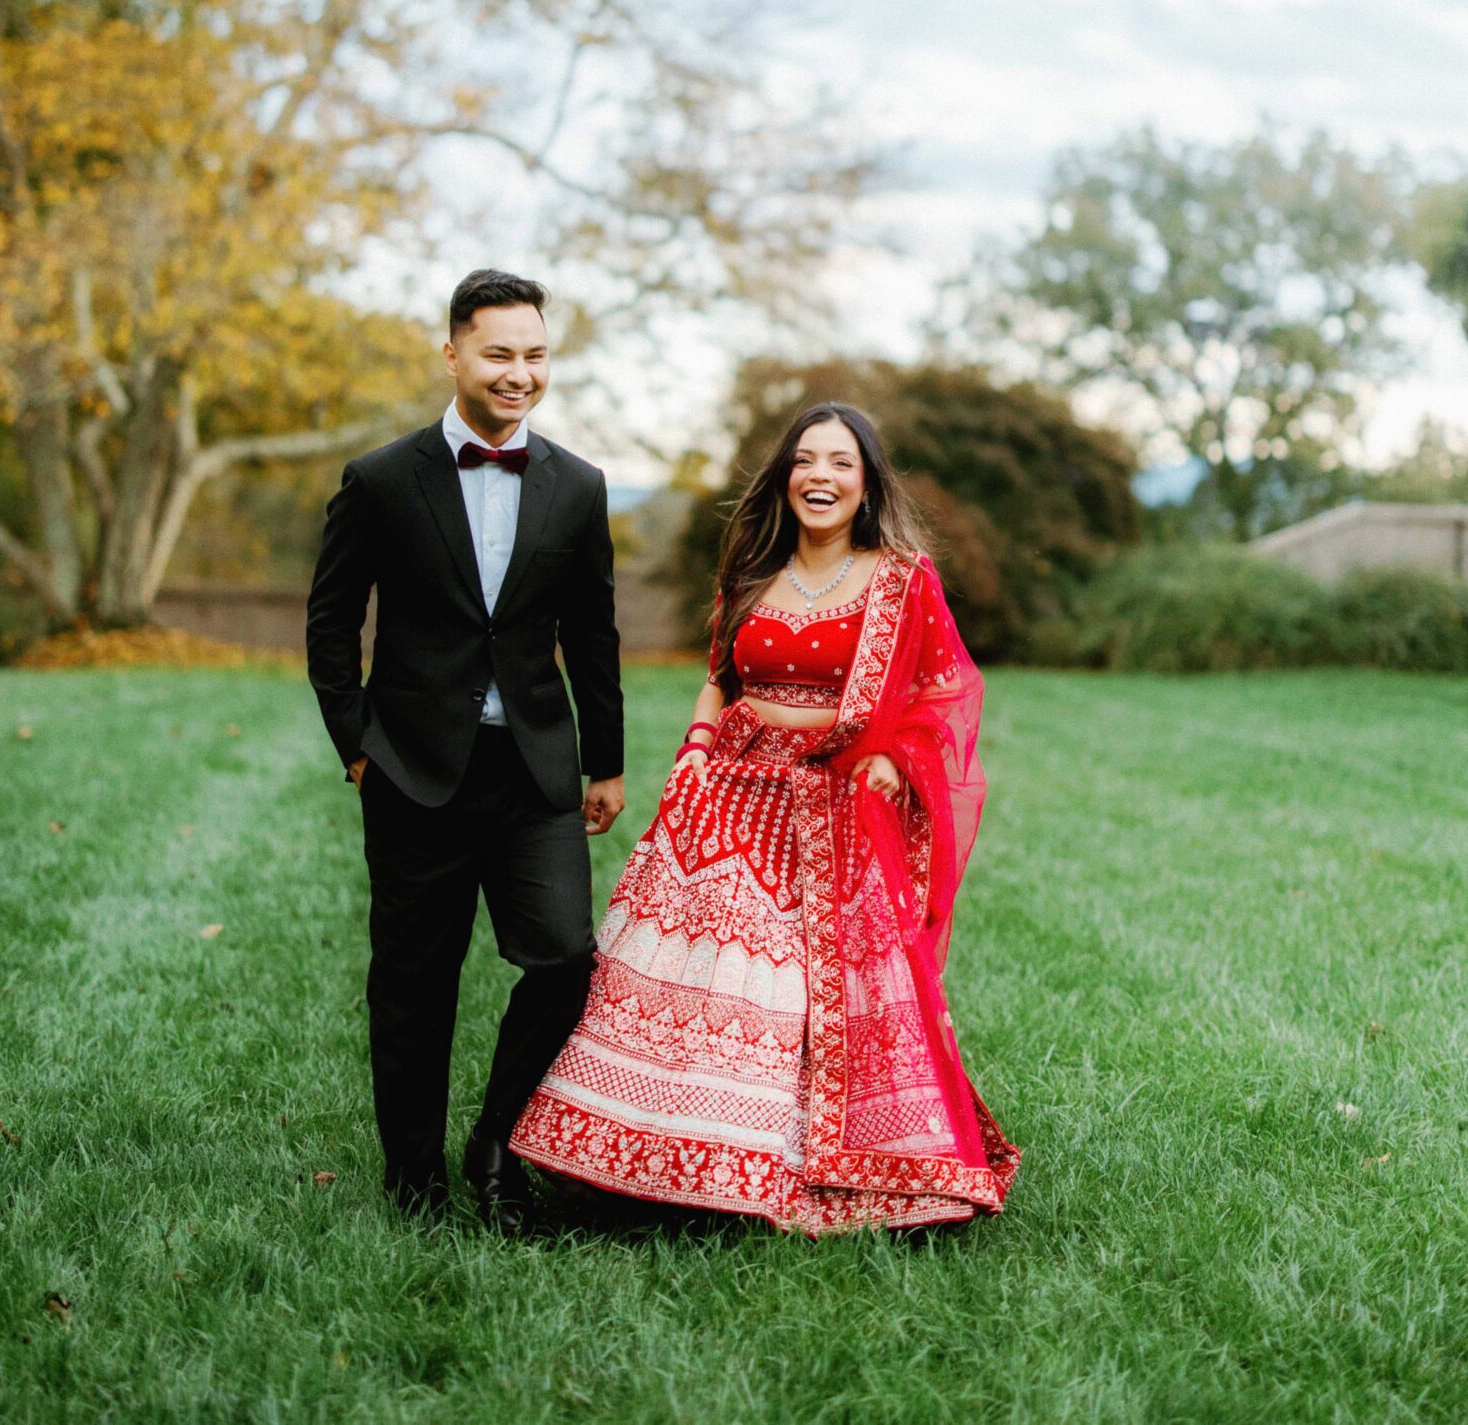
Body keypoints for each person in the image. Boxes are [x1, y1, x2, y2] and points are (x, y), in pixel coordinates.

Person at [510, 402, 1019, 1235]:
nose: (822, 476)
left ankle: (777, 1164)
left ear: (867, 485)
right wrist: (695, 750)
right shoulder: (752, 569)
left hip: (837, 801)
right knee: (702, 976)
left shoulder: (901, 579)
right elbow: (720, 677)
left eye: (842, 463)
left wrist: (894, 758)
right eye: (806, 460)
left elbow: (944, 688)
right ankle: (652, 1161)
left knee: (794, 987)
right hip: (733, 795)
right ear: (785, 477)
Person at [305, 268, 625, 1226]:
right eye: (498, 354)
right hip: (412, 768)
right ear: (452, 355)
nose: (519, 373)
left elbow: (594, 633)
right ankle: (414, 1185)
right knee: (413, 983)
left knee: (565, 960)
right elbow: (331, 622)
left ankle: (496, 1137)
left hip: (534, 771)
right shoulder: (380, 480)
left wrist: (604, 761)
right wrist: (356, 743)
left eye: (536, 355)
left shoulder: (578, 486)